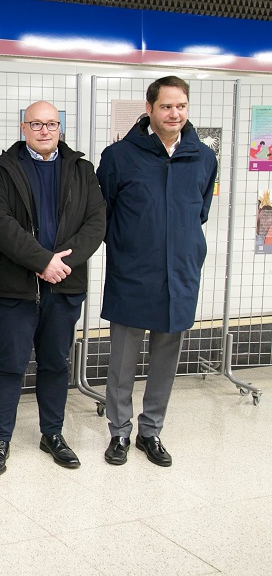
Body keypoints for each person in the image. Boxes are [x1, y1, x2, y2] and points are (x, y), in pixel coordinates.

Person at [0, 101, 105, 476]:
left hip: (64, 286)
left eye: (51, 123)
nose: (45, 130)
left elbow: (96, 223)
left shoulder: (82, 169)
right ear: (23, 127)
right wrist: (41, 261)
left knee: (55, 363)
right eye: (37, 123)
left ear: (60, 127)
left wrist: (61, 264)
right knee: (10, 364)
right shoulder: (1, 170)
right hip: (16, 287)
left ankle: (53, 434)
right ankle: (0, 440)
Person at [97, 76, 218, 467]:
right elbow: (103, 214)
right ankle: (119, 433)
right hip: (132, 273)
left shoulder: (203, 157)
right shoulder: (119, 157)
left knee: (166, 360)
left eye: (181, 106)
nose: (174, 113)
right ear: (149, 109)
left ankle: (151, 432)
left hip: (179, 274)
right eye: (166, 106)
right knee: (122, 362)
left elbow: (199, 212)